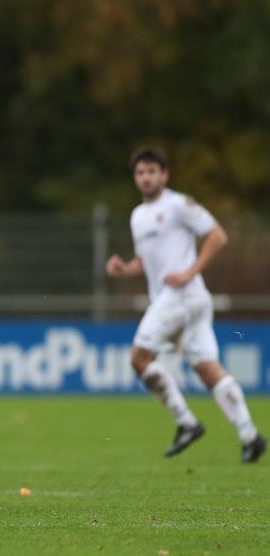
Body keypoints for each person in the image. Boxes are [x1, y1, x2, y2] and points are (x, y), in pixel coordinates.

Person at [106, 146, 265, 463]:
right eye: (140, 172)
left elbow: (217, 236)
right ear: (135, 177)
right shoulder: (138, 216)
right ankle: (250, 436)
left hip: (180, 295)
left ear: (164, 175)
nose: (146, 178)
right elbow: (146, 260)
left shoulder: (179, 204)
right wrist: (125, 268)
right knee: (207, 368)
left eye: (152, 172)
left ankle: (187, 422)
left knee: (139, 358)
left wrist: (190, 271)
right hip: (189, 299)